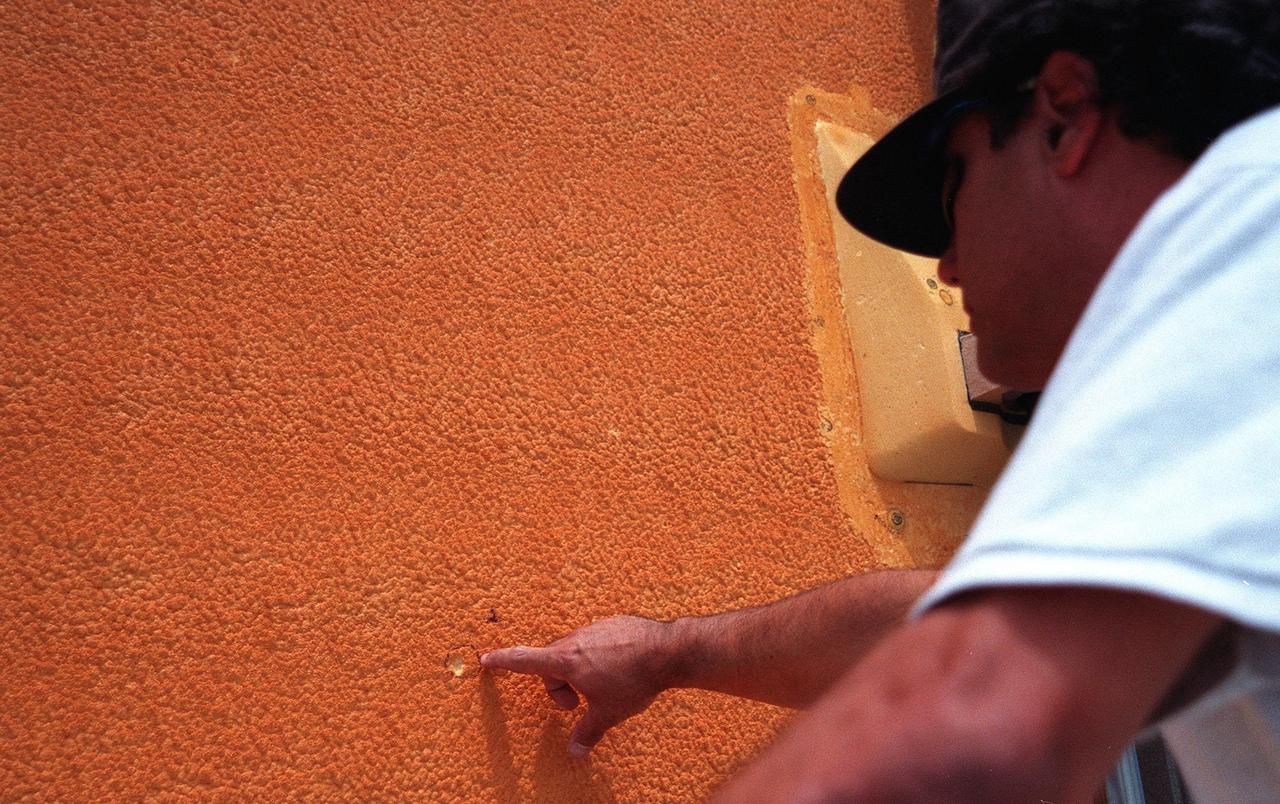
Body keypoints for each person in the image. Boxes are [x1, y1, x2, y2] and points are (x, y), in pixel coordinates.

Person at [483, 1, 1280, 800]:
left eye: (953, 184)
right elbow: (960, 634)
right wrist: (670, 654)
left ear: (1065, 117)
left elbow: (974, 709)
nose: (949, 265)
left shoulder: (1258, 223)